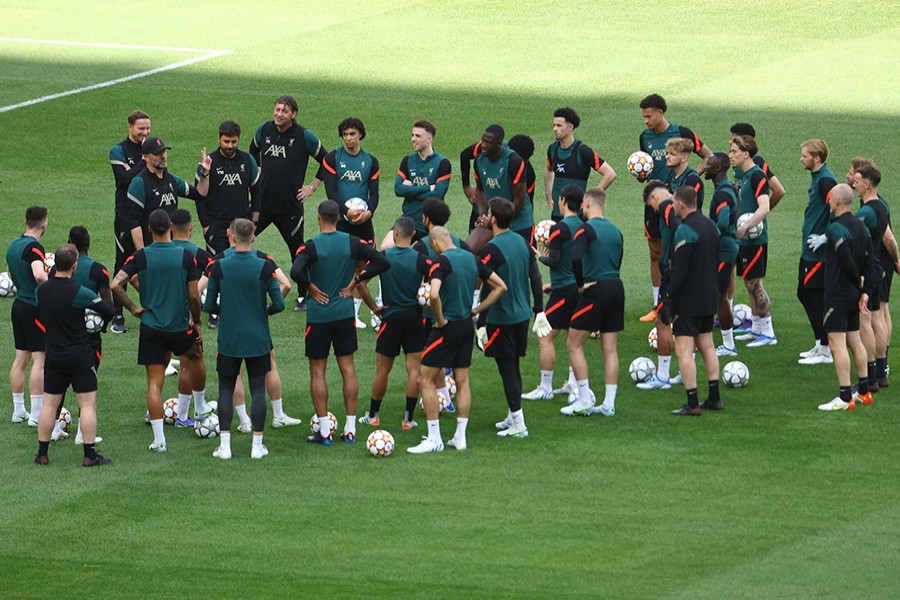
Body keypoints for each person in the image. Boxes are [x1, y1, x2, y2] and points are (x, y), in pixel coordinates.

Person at [290, 200, 390, 445]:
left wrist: (311, 287)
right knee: (348, 369)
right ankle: (351, 429)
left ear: (318, 217)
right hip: (345, 314)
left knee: (318, 371)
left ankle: (324, 432)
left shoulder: (311, 246)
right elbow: (383, 261)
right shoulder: (352, 243)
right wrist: (357, 278)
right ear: (338, 219)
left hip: (319, 316)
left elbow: (295, 272)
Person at [111, 209, 210, 453]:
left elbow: (115, 284)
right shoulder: (185, 256)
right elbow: (194, 295)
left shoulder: (141, 256)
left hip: (151, 327)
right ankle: (199, 407)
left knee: (154, 384)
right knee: (196, 357)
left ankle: (159, 440)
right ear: (170, 227)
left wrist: (133, 308)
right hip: (179, 326)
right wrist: (196, 321)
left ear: (149, 230)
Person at [407, 227, 507, 454]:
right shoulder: (472, 258)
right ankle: (460, 437)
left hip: (447, 327)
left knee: (424, 379)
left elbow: (433, 295)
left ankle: (434, 438)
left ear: (434, 243)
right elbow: (501, 286)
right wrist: (478, 309)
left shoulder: (440, 263)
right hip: (465, 325)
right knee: (462, 380)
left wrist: (440, 320)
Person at [201, 219, 301, 431]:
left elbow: (198, 291)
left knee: (233, 375)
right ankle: (278, 414)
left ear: (230, 234)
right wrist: (263, 310)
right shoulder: (263, 259)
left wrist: (222, 311)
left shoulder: (219, 262)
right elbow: (286, 285)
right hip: (257, 329)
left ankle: (244, 420)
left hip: (231, 331)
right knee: (269, 366)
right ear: (253, 237)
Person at [34, 245, 115, 466]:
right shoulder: (80, 292)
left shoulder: (41, 290)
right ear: (74, 266)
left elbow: (38, 317)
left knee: (50, 405)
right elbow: (108, 310)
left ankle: (42, 453)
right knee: (87, 404)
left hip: (54, 355)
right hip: (80, 355)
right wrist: (97, 325)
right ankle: (89, 455)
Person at [248, 95, 327, 312]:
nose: (279, 114)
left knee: (297, 253)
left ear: (293, 114)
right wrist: (257, 169)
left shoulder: (304, 136)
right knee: (241, 242)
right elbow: (252, 150)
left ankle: (303, 294)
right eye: (277, 109)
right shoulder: (264, 130)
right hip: (261, 204)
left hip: (290, 208)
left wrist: (312, 187)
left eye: (284, 111)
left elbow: (327, 161)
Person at [478, 198, 549, 438]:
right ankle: (512, 414)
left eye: (488, 214)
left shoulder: (491, 248)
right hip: (522, 315)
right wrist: (539, 310)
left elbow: (489, 287)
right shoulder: (522, 242)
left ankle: (519, 423)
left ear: (494, 219)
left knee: (507, 369)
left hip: (502, 318)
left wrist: (481, 323)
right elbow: (536, 277)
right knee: (514, 365)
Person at [638, 94, 712, 323]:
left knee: (675, 253)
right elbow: (647, 167)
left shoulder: (683, 133)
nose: (646, 121)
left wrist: (689, 181)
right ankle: (657, 302)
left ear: (661, 112)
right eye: (644, 117)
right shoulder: (645, 137)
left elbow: (708, 156)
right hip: (654, 202)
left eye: (649, 116)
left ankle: (675, 302)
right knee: (656, 253)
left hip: (677, 203)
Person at [357, 217, 433, 429]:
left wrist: (373, 307)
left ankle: (373, 416)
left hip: (390, 318)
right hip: (415, 318)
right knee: (414, 369)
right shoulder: (421, 259)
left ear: (396, 234)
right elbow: (438, 278)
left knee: (382, 369)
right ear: (414, 236)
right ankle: (407, 419)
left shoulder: (385, 257)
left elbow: (361, 282)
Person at [560, 188, 624, 417]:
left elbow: (576, 257)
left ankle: (584, 398)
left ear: (586, 203)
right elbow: (618, 260)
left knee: (574, 344)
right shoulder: (616, 231)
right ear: (603, 204)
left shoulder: (585, 229)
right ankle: (609, 404)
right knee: (610, 349)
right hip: (616, 287)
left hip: (596, 288)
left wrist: (580, 284)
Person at [817, 185, 877, 411]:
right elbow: (870, 262)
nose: (829, 202)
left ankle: (844, 397)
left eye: (830, 198)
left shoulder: (835, 229)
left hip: (838, 294)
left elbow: (847, 262)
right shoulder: (862, 227)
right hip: (854, 295)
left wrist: (858, 282)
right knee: (855, 340)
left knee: (837, 344)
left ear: (837, 202)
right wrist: (865, 292)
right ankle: (863, 391)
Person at [663, 187, 722, 415]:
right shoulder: (711, 226)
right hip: (709, 295)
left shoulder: (684, 230)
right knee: (707, 344)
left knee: (684, 350)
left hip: (689, 299)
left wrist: (669, 296)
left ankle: (692, 402)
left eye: (674, 202)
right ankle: (714, 398)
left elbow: (680, 270)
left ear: (681, 204)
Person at [523, 184, 584, 401]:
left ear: (563, 200)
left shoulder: (559, 228)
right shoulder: (583, 226)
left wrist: (539, 255)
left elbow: (555, 260)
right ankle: (573, 383)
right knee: (571, 337)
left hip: (564, 290)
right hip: (577, 287)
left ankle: (545, 387)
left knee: (545, 335)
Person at [319, 116, 381, 328]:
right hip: (340, 220)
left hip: (363, 221)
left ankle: (353, 315)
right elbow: (331, 192)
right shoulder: (332, 158)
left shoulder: (371, 161)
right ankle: (334, 306)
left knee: (364, 267)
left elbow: (374, 194)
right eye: (345, 134)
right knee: (339, 265)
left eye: (352, 134)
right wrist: (347, 211)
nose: (348, 138)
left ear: (360, 135)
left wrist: (369, 213)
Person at [57, 226, 112, 444]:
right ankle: (82, 434)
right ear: (89, 243)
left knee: (57, 386)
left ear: (69, 242)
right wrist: (101, 324)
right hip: (88, 341)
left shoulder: (57, 269)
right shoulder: (99, 270)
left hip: (60, 336)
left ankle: (52, 429)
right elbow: (108, 306)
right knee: (86, 388)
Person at [854, 164, 900, 389]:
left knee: (866, 322)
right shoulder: (881, 207)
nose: (853, 182)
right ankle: (881, 373)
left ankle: (870, 377)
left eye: (857, 179)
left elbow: (857, 241)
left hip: (866, 270)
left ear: (867, 184)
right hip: (877, 267)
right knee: (878, 317)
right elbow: (888, 237)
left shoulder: (866, 212)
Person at [731, 134, 777, 346]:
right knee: (748, 283)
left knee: (755, 284)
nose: (731, 155)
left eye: (734, 152)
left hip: (755, 240)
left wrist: (746, 227)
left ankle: (768, 332)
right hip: (746, 240)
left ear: (746, 153)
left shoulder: (758, 176)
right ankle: (757, 327)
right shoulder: (745, 174)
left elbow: (764, 207)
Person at [169, 210, 214, 425]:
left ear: (170, 227)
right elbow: (215, 270)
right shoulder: (197, 253)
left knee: (158, 367)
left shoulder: (158, 251)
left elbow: (131, 276)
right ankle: (192, 411)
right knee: (190, 362)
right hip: (185, 317)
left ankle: (155, 413)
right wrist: (197, 288)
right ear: (191, 228)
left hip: (158, 316)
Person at [636, 181, 682, 390]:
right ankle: (684, 372)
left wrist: (673, 260)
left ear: (654, 198)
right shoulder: (684, 205)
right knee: (688, 322)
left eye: (651, 206)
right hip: (691, 273)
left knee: (663, 321)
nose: (653, 210)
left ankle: (663, 377)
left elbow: (678, 230)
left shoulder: (666, 207)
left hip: (675, 275)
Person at [796, 140, 838, 365]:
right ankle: (820, 344)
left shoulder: (826, 180)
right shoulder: (818, 179)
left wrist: (826, 237)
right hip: (809, 250)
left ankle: (825, 349)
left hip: (818, 253)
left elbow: (838, 207)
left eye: (805, 156)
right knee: (804, 293)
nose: (801, 159)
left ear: (817, 158)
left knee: (814, 296)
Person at [109, 110, 151, 333]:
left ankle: (153, 307)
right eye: (140, 128)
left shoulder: (152, 148)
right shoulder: (118, 150)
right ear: (130, 127)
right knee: (123, 263)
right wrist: (146, 158)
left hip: (147, 216)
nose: (145, 132)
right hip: (125, 216)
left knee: (151, 261)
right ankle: (118, 315)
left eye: (147, 128)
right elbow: (125, 178)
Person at [6, 206, 49, 426]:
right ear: (44, 224)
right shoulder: (35, 248)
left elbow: (12, 274)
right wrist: (50, 287)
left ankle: (18, 411)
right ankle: (36, 415)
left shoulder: (13, 246)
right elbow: (39, 274)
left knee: (21, 358)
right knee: (39, 359)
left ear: (25, 222)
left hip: (18, 305)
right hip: (34, 307)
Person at [196, 120, 260, 257]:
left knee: (241, 264)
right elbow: (199, 196)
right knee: (218, 266)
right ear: (219, 138)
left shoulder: (248, 161)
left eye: (234, 142)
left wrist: (254, 223)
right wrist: (206, 226)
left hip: (242, 224)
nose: (230, 146)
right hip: (217, 226)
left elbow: (257, 193)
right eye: (226, 141)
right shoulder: (208, 162)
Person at [544, 107, 617, 222]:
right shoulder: (552, 149)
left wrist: (590, 197)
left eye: (559, 126)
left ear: (570, 127)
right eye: (554, 125)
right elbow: (548, 170)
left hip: (577, 217)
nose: (554, 129)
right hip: (557, 215)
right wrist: (548, 194)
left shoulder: (583, 151)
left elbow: (610, 174)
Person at [703, 153, 740, 356]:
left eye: (709, 164)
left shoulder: (722, 194)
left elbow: (723, 222)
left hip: (724, 248)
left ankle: (728, 345)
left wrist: (708, 237)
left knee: (720, 295)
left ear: (718, 168)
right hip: (728, 246)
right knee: (718, 294)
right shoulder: (725, 188)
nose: (705, 167)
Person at [392, 120, 452, 241]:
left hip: (431, 224)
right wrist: (428, 187)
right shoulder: (407, 160)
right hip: (408, 220)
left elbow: (437, 195)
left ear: (429, 139)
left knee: (425, 256)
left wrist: (409, 190)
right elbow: (398, 189)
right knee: (386, 247)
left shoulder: (443, 163)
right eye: (412, 135)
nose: (413, 139)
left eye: (418, 136)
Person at [473, 125, 529, 241]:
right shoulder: (479, 161)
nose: (483, 145)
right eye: (483, 140)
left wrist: (495, 220)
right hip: (492, 220)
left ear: (499, 144)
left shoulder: (514, 161)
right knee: (471, 250)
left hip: (518, 223)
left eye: (488, 142)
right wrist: (482, 215)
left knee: (515, 257)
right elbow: (480, 189)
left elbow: (519, 201)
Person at [729, 123, 786, 208]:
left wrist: (761, 211)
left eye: (733, 138)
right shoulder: (737, 159)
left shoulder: (756, 161)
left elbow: (779, 190)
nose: (730, 141)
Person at [664, 138, 704, 212]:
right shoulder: (671, 175)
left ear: (684, 158)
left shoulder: (693, 180)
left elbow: (685, 207)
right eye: (667, 153)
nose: (667, 157)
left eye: (672, 154)